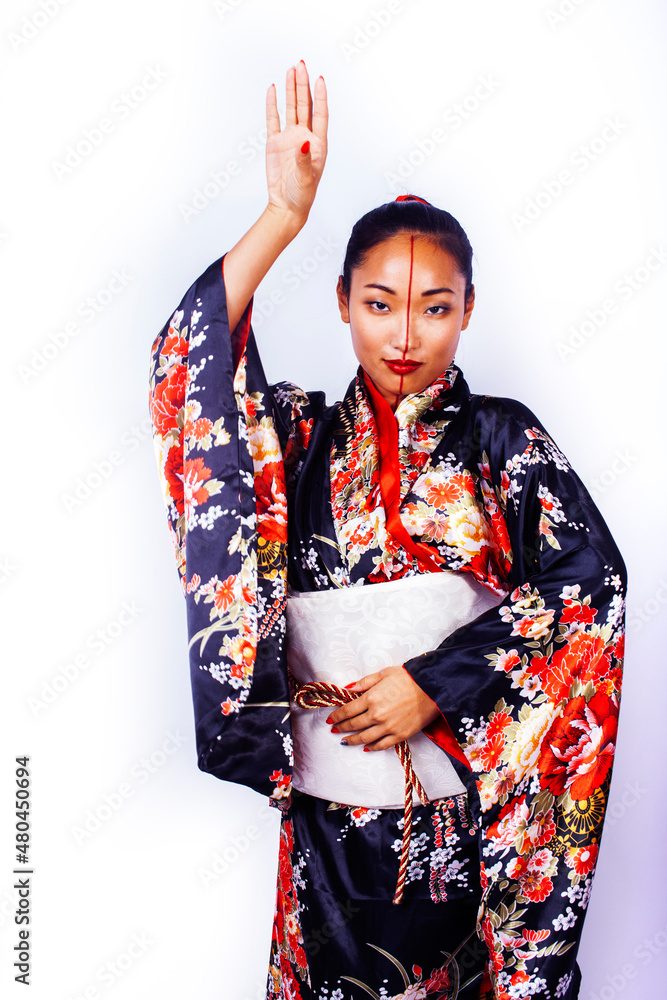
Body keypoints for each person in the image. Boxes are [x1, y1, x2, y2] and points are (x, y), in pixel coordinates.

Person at [148, 62, 626, 1000]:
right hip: (329, 829)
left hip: (464, 826)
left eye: (434, 306)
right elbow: (185, 377)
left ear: (467, 310)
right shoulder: (295, 438)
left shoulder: (501, 439)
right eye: (379, 302)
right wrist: (283, 214)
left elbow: (591, 584)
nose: (404, 333)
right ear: (341, 300)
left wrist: (430, 683)